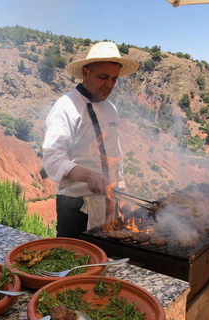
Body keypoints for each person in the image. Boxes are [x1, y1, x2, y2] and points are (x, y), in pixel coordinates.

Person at [42, 41, 139, 238]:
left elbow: (115, 156)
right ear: (86, 74)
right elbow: (52, 158)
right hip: (76, 208)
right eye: (103, 77)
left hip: (108, 206)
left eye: (114, 79)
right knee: (75, 266)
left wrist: (122, 195)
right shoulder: (66, 107)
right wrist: (88, 176)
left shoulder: (111, 110)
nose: (109, 85)